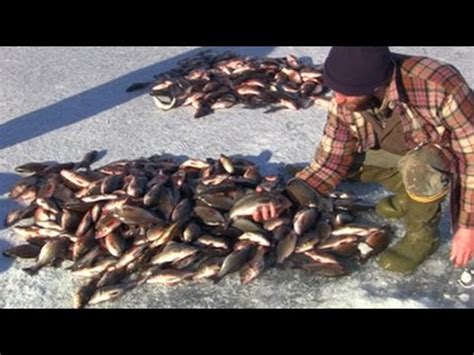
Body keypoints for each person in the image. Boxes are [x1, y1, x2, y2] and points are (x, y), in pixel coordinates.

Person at [253, 47, 474, 274]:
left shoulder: (439, 84)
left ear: (376, 85)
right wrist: (287, 198)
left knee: (420, 165)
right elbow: (331, 160)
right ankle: (411, 198)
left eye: (347, 93)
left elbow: (471, 158)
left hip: (441, 159)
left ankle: (423, 234)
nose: (338, 99)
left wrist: (467, 226)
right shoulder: (345, 98)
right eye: (335, 89)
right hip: (396, 152)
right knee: (346, 159)